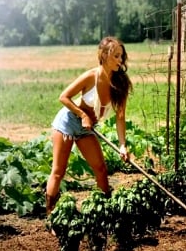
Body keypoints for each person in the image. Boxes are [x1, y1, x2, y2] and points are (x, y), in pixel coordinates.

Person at [45, 36, 132, 215]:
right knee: (58, 171)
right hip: (68, 123)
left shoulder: (120, 83)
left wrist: (123, 145)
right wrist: (83, 114)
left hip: (87, 128)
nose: (120, 60)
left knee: (100, 168)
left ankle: (106, 213)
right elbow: (63, 97)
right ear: (104, 55)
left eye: (121, 56)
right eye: (116, 56)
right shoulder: (91, 76)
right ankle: (50, 216)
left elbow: (120, 117)